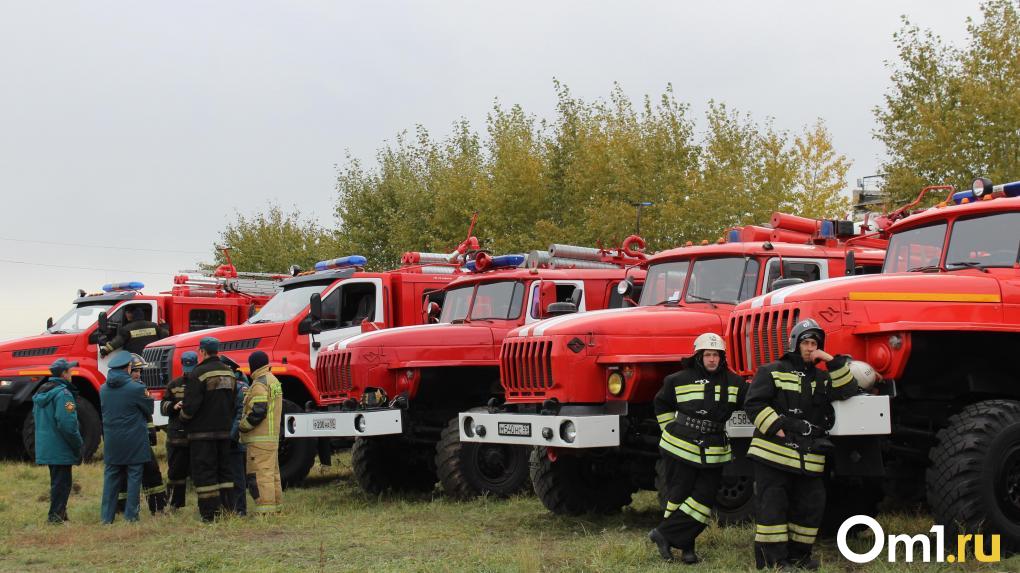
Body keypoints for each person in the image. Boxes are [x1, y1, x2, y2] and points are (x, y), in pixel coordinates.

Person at [744, 318, 859, 570]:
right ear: (796, 344)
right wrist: (776, 426)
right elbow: (753, 403)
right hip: (773, 454)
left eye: (814, 343)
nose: (810, 348)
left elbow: (848, 388)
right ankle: (775, 560)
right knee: (773, 507)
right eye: (806, 342)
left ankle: (799, 556)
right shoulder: (772, 370)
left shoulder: (821, 377)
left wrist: (831, 360)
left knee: (810, 506)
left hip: (809, 457)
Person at [648, 333, 746, 564]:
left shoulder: (735, 383)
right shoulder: (677, 379)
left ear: (722, 358)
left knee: (704, 499)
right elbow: (660, 403)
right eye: (708, 355)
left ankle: (663, 534)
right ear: (699, 356)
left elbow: (753, 402)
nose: (712, 359)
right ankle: (686, 549)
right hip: (679, 447)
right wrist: (668, 429)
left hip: (714, 450)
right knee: (678, 496)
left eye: (716, 355)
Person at [180, 337, 238, 522]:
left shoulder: (198, 373)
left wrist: (183, 420)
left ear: (203, 351)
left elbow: (190, 406)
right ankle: (229, 508)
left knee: (205, 473)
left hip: (201, 434)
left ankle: (209, 514)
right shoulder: (229, 373)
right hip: (224, 432)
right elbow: (233, 401)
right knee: (225, 472)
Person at [99, 351, 153, 523]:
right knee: (134, 477)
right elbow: (149, 410)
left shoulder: (103, 389)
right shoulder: (137, 388)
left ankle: (106, 517)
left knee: (111, 478)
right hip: (134, 440)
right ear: (128, 367)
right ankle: (131, 516)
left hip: (112, 440)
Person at [32, 357, 84, 523]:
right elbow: (67, 424)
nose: (72, 373)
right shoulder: (63, 394)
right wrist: (78, 444)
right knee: (62, 484)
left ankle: (61, 515)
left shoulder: (42, 392)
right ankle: (55, 518)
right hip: (60, 446)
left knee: (58, 482)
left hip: (47, 446)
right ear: (63, 374)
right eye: (70, 371)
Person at [239, 350, 283, 515]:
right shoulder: (273, 380)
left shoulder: (259, 384)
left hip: (259, 439)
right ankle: (276, 508)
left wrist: (242, 426)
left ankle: (265, 512)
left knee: (259, 476)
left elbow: (258, 411)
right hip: (271, 438)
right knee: (272, 475)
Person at [122, 354, 167, 514]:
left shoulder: (140, 387)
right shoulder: (130, 389)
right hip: (131, 438)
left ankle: (157, 507)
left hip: (140, 437)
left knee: (151, 471)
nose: (138, 374)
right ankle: (121, 509)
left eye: (140, 371)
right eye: (135, 371)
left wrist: (151, 432)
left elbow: (147, 415)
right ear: (126, 370)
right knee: (125, 474)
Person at [161, 351, 197, 509]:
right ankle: (175, 504)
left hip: (196, 436)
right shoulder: (173, 384)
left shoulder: (200, 384)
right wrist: (173, 406)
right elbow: (163, 407)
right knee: (175, 473)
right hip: (177, 438)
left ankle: (202, 505)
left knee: (200, 472)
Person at [222, 355, 249, 516]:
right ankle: (228, 507)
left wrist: (232, 437)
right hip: (223, 438)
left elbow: (241, 414)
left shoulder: (240, 387)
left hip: (235, 440)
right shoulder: (224, 386)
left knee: (238, 477)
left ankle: (240, 509)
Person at [100, 306, 168, 356]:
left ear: (132, 314)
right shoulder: (154, 325)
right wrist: (164, 326)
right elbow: (165, 336)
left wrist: (105, 350)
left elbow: (117, 342)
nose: (126, 315)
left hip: (135, 358)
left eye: (127, 312)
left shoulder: (127, 328)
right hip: (151, 357)